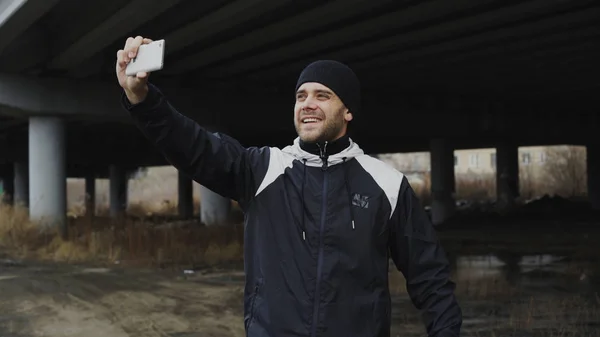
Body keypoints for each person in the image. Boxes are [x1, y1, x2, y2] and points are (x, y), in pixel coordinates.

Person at [116, 36, 462, 337]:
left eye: (322, 95)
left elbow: (431, 280)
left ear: (348, 111)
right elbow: (192, 145)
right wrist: (142, 98)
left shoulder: (387, 185)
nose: (307, 103)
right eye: (301, 96)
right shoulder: (263, 169)